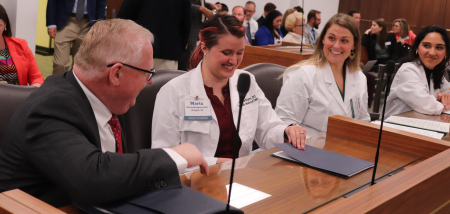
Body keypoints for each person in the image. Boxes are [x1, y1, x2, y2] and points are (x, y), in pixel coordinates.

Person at [0, 19, 208, 207]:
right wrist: (173, 155)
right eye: (147, 73)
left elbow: (119, 168)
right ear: (116, 73)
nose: (150, 81)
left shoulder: (110, 98)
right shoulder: (51, 107)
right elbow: (92, 179)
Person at [152, 14, 306, 169]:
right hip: (196, 181)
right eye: (226, 53)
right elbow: (165, 156)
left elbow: (268, 129)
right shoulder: (174, 92)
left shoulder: (246, 81)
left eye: (239, 52)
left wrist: (286, 132)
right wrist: (217, 164)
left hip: (240, 177)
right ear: (205, 47)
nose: (234, 61)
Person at [276, 13, 371, 138]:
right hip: (307, 148)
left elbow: (363, 121)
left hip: (347, 148)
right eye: (331, 38)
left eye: (344, 40)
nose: (336, 46)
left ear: (353, 45)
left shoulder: (359, 78)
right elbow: (285, 122)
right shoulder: (303, 74)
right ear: (323, 39)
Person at [385, 25, 450, 116]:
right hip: (395, 127)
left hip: (423, 124)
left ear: (446, 52)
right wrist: (443, 103)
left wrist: (445, 97)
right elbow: (426, 104)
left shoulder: (436, 72)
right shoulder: (408, 70)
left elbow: (448, 91)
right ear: (417, 48)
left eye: (439, 47)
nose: (432, 52)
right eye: (426, 46)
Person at [117, 0, 191, 71]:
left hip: (139, 48)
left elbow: (123, 18)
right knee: (165, 82)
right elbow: (186, 24)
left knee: (137, 82)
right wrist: (181, 47)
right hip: (169, 50)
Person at [46, 0, 107, 75]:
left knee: (80, 65)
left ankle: (74, 86)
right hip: (65, 22)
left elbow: (101, 4)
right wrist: (51, 23)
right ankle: (57, 85)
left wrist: (99, 26)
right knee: (60, 63)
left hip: (87, 24)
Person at [0, 5, 43, 86]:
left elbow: (36, 76)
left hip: (20, 96)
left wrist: (35, 86)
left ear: (5, 25)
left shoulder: (20, 45)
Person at [179, 0, 222, 71]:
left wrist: (210, 5)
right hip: (189, 32)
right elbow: (183, 5)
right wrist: (201, 9)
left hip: (198, 32)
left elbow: (198, 2)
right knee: (187, 65)